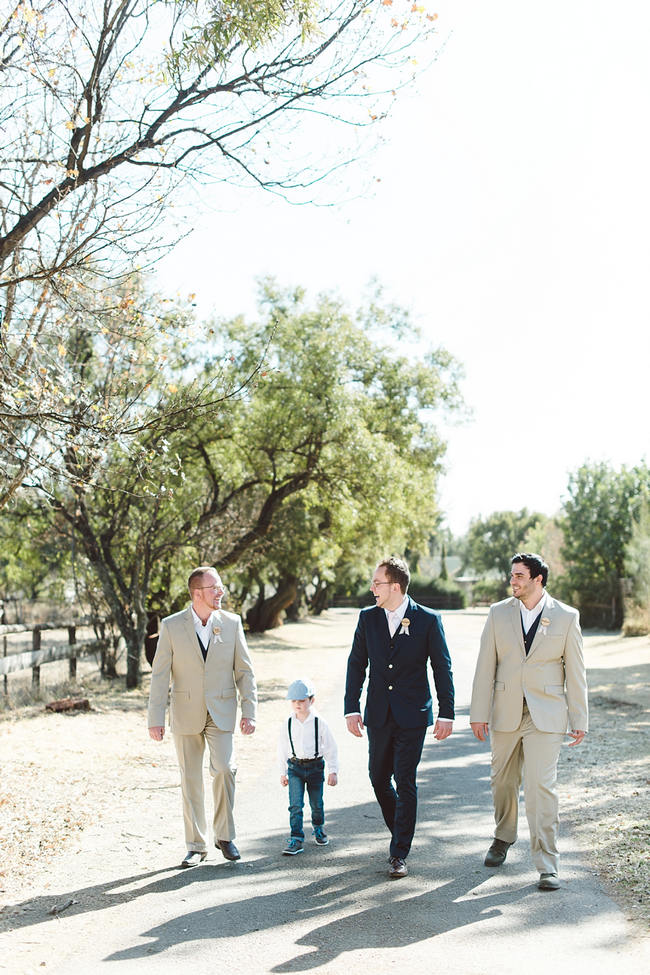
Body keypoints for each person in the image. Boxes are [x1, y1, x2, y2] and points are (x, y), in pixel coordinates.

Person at [470, 552, 588, 891]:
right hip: (505, 711)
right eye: (512, 575)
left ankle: (547, 864)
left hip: (547, 715)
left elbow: (576, 672)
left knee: (540, 788)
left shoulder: (566, 617)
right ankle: (503, 836)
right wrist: (478, 713)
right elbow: (484, 667)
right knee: (502, 782)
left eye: (520, 575)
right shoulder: (497, 614)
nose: (513, 580)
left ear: (538, 579)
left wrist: (579, 717)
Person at [344, 556, 455, 879]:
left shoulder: (429, 620)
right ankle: (401, 831)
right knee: (378, 778)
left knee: (405, 780)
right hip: (378, 712)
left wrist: (446, 711)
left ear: (395, 586)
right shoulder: (367, 619)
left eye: (376, 583)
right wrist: (352, 707)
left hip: (413, 714)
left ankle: (399, 853)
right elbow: (356, 664)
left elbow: (441, 667)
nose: (371, 588)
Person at [148, 565, 257, 867]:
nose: (221, 592)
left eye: (220, 587)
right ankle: (195, 846)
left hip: (221, 711)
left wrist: (250, 711)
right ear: (197, 593)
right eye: (215, 588)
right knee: (190, 779)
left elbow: (245, 672)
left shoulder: (232, 623)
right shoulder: (171, 626)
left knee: (225, 768)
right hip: (184, 712)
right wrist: (155, 718)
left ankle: (225, 835)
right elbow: (159, 675)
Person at [278, 677, 339, 856]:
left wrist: (333, 770)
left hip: (315, 767)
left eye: (302, 701)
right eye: (294, 701)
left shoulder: (319, 722)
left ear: (312, 700)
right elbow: (282, 748)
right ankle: (296, 838)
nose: (298, 704)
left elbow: (330, 747)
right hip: (294, 768)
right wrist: (282, 773)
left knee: (316, 803)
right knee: (295, 805)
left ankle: (318, 827)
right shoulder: (288, 722)